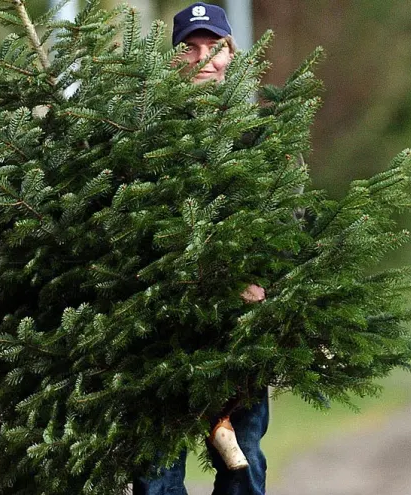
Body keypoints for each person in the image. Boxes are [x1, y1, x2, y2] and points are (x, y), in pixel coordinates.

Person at [132, 3, 269, 495]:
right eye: (189, 48)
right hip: (157, 332)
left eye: (216, 48)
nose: (203, 59)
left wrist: (261, 282)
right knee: (156, 469)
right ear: (172, 60)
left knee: (243, 459)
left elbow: (291, 223)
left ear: (233, 54)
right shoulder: (142, 138)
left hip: (236, 332)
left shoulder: (259, 137)